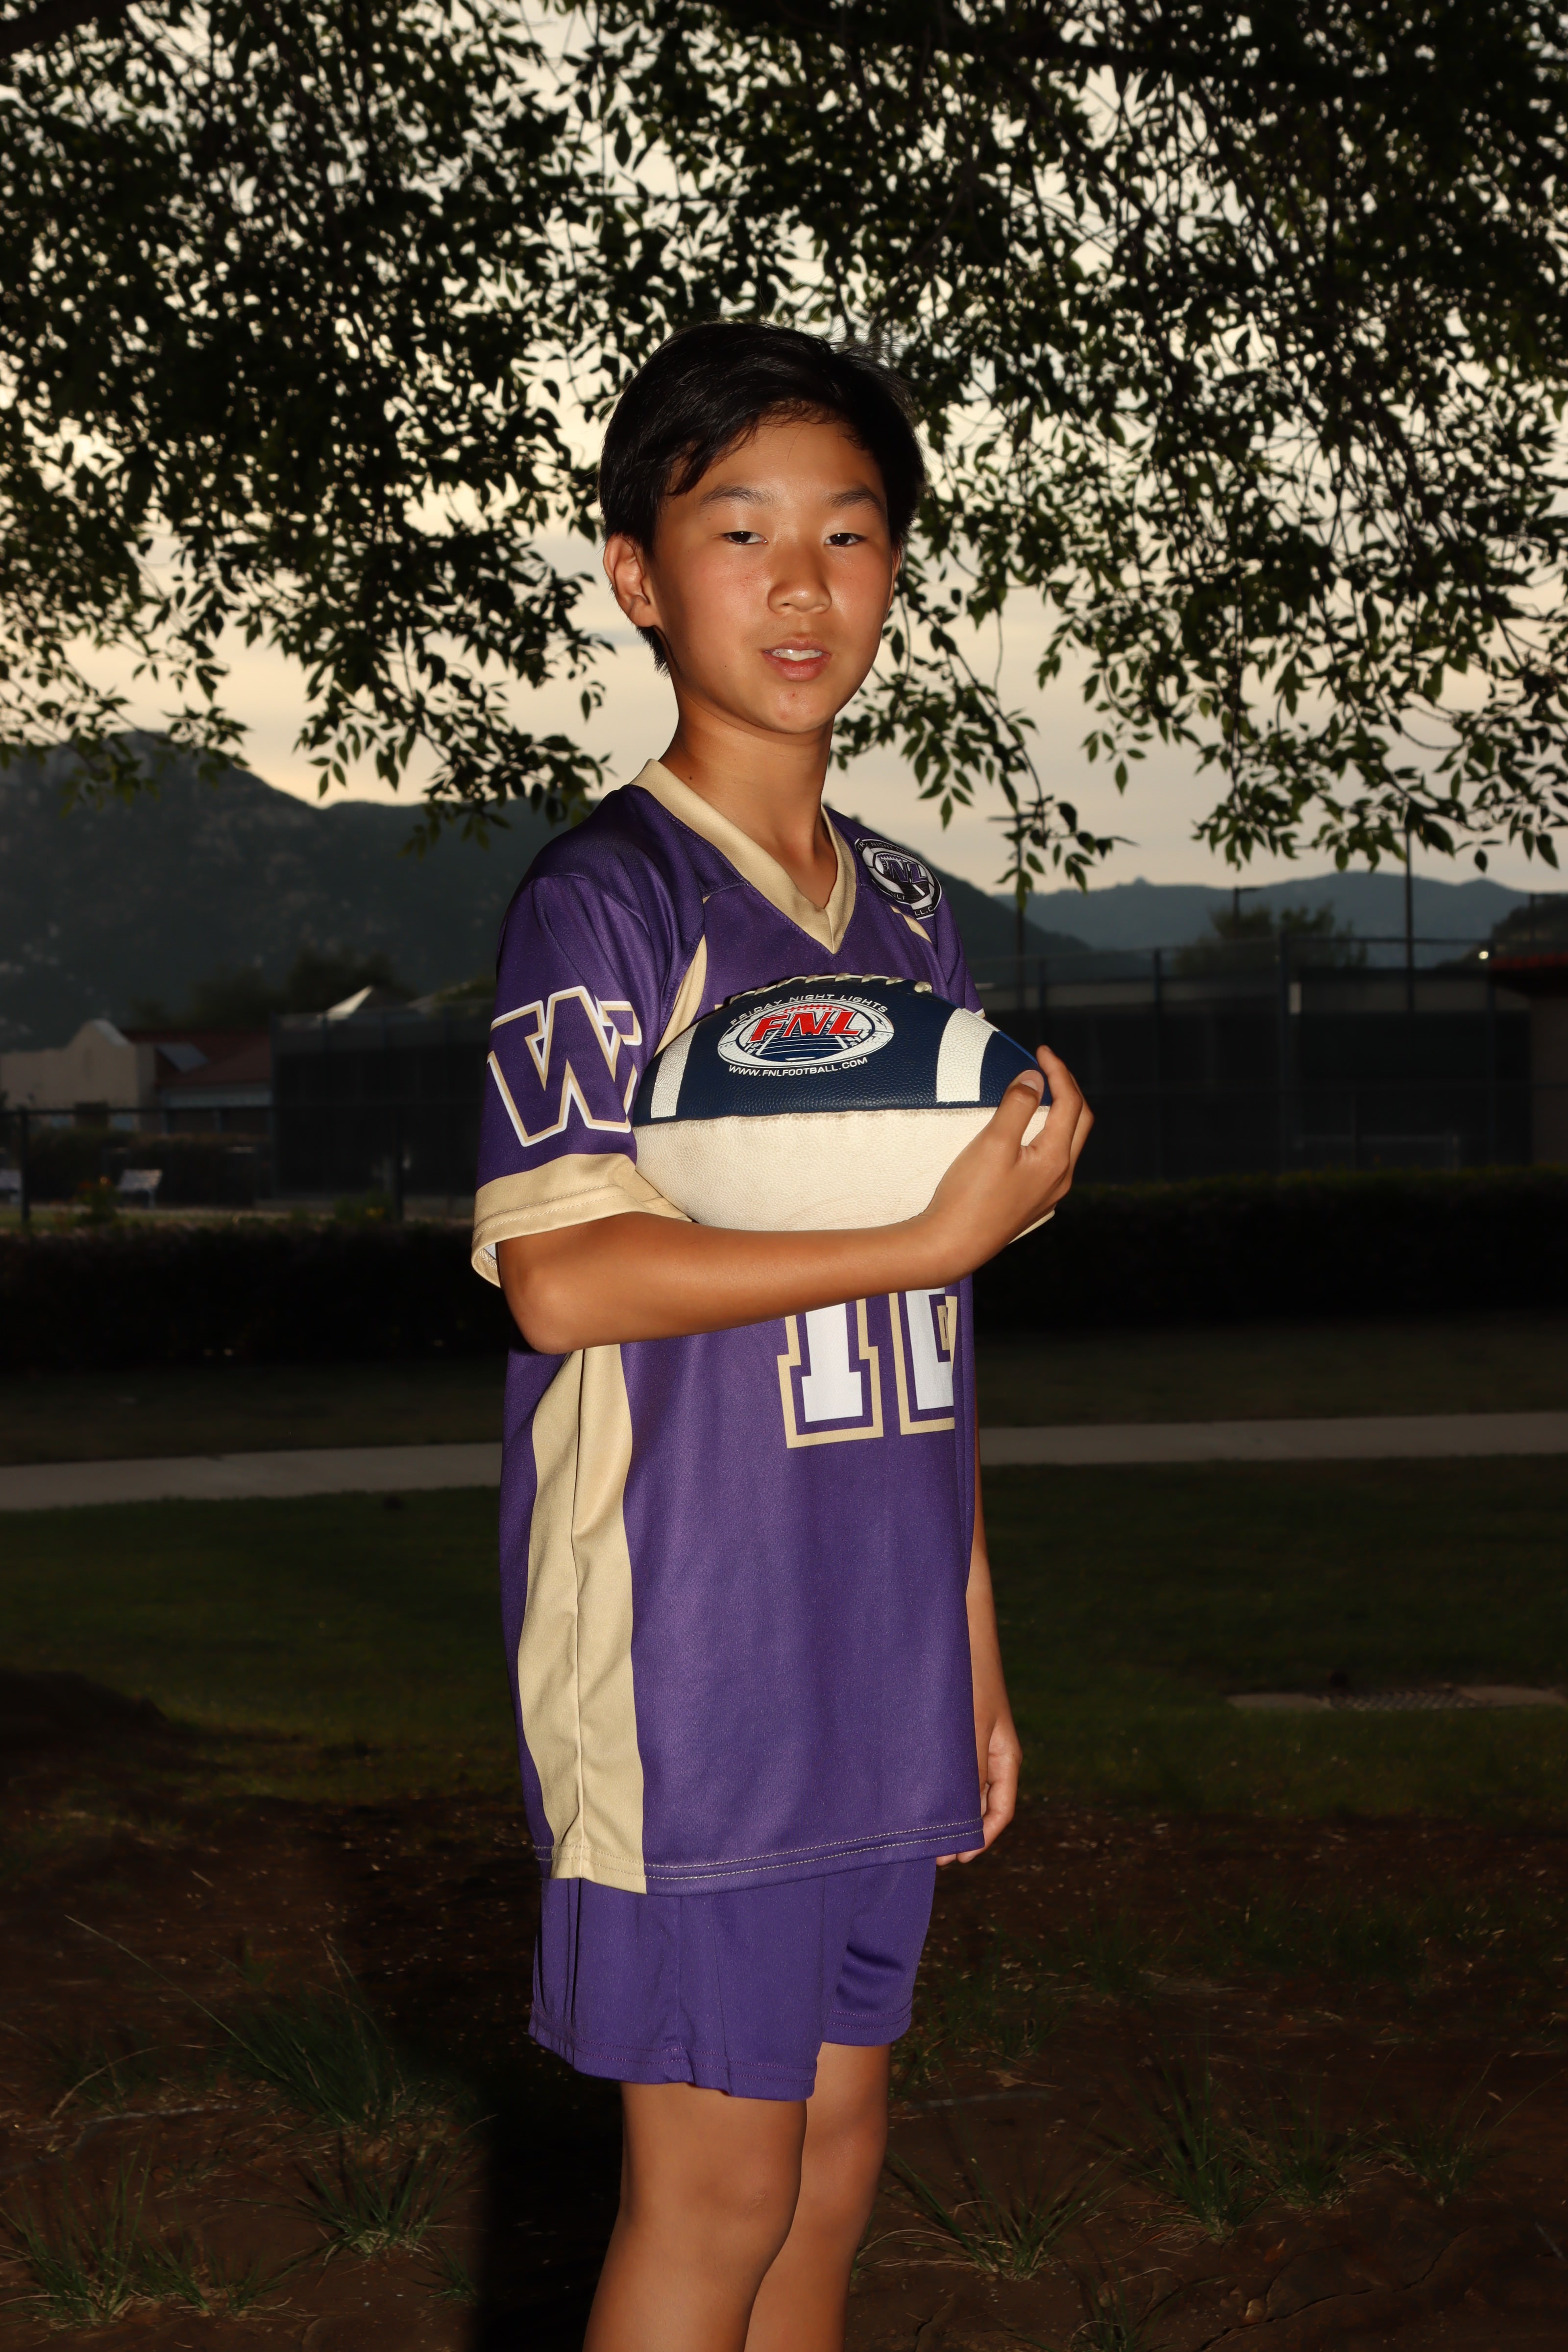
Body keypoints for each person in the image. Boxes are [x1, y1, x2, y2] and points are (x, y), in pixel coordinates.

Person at [471, 321, 1092, 2352]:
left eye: (849, 530)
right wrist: (925, 1230)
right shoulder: (607, 897)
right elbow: (563, 1280)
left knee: (831, 2169)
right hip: (692, 1652)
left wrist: (969, 1643)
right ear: (638, 576)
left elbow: (934, 1319)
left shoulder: (910, 919)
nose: (803, 582)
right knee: (714, 2193)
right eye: (738, 530)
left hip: (874, 1630)